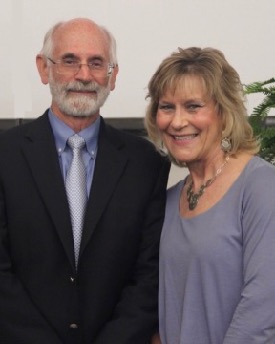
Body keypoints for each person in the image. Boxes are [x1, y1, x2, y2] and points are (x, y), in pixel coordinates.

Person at [0, 18, 170, 344]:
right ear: (43, 68)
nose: (83, 75)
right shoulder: (5, 156)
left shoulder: (146, 163)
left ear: (113, 75)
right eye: (69, 61)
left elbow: (150, 276)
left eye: (96, 63)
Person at [144, 47, 275, 343]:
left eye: (193, 106)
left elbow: (263, 310)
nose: (177, 122)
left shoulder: (261, 186)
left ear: (223, 111)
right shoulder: (168, 200)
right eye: (167, 107)